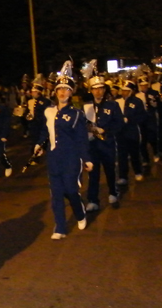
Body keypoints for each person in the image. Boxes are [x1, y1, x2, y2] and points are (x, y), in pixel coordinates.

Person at [33, 62, 91, 240]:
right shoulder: (48, 111)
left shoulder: (76, 114)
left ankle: (80, 213)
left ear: (71, 92)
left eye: (66, 89)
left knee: (71, 190)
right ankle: (60, 227)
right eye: (60, 89)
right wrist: (39, 145)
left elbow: (82, 138)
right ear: (55, 92)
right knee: (56, 194)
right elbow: (45, 132)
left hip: (71, 158)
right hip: (54, 158)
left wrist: (87, 159)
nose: (62, 92)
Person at [83, 74, 123, 211]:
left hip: (107, 143)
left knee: (110, 170)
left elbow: (119, 123)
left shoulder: (112, 105)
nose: (98, 91)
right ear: (91, 90)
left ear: (104, 90)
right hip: (91, 144)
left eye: (100, 88)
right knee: (93, 173)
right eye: (95, 89)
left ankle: (113, 193)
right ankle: (93, 200)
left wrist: (105, 130)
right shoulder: (86, 106)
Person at [116, 78, 147, 185]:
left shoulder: (137, 101)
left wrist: (129, 119)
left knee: (134, 153)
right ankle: (123, 176)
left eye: (126, 91)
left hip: (132, 131)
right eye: (123, 90)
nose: (124, 93)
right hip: (120, 132)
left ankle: (138, 172)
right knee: (122, 155)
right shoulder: (117, 101)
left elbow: (142, 116)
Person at [136, 75, 161, 165]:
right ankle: (145, 158)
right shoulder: (137, 95)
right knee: (143, 140)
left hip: (151, 118)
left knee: (153, 137)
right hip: (141, 119)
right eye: (142, 85)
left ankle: (156, 153)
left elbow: (158, 104)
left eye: (145, 85)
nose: (144, 87)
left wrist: (153, 102)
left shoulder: (154, 92)